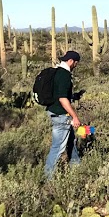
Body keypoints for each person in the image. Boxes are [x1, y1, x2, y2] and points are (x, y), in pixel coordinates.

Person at [44, 50, 82, 178]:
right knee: (57, 148)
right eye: (76, 63)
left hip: (56, 112)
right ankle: (48, 179)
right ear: (71, 61)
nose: (76, 65)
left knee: (71, 141)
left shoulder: (56, 72)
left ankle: (77, 168)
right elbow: (62, 98)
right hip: (61, 116)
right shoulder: (64, 75)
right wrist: (75, 116)